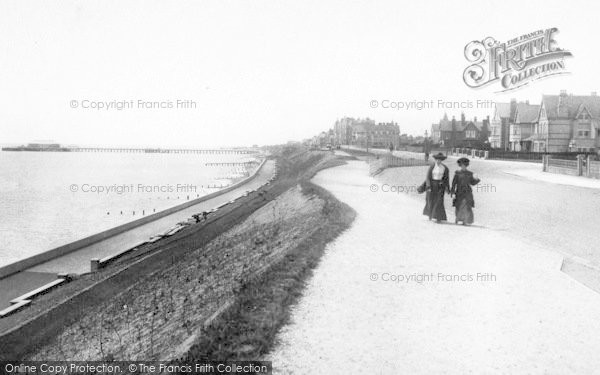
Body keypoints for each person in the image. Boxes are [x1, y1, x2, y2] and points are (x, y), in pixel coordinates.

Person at [451, 157, 480, 225]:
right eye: (462, 165)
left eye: (464, 165)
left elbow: (472, 183)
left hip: (467, 192)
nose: (463, 166)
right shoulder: (457, 173)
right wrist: (453, 193)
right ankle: (458, 219)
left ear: (466, 165)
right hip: (459, 192)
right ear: (460, 166)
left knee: (467, 206)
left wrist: (476, 179)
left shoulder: (470, 173)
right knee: (459, 206)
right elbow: (453, 184)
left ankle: (465, 220)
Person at [422, 152, 449, 223]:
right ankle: (430, 215)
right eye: (437, 159)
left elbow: (446, 179)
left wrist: (447, 188)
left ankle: (439, 217)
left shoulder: (445, 168)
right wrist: (428, 186)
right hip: (432, 185)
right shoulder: (432, 166)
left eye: (440, 160)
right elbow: (428, 177)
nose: (438, 161)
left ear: (442, 160)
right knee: (431, 200)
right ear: (435, 160)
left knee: (439, 201)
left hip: (440, 185)